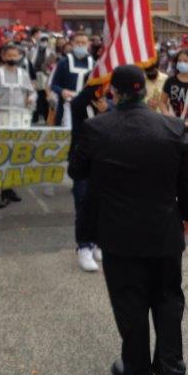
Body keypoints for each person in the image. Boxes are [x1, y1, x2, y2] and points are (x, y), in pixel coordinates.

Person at [69, 65, 188, 375]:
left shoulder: (96, 128)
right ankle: (171, 367)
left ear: (113, 92)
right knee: (168, 298)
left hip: (118, 232)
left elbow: (76, 170)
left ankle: (137, 370)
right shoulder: (172, 126)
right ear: (145, 90)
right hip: (164, 228)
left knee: (130, 302)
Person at [0, 43, 36, 209]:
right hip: (2, 118)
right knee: (4, 153)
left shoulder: (23, 73)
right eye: (9, 55)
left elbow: (32, 92)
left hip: (20, 118)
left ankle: (11, 188)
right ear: (3, 57)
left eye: (15, 55)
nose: (12, 58)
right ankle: (4, 192)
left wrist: (31, 99)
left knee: (16, 154)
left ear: (19, 57)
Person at [68, 82, 110, 271]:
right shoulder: (79, 103)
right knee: (83, 203)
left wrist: (107, 110)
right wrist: (96, 105)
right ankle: (84, 247)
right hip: (83, 161)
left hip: (105, 161)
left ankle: (97, 242)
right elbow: (84, 129)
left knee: (103, 204)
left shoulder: (110, 104)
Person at [49, 32, 96, 127]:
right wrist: (62, 91)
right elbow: (54, 85)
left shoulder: (94, 63)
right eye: (77, 42)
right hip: (66, 106)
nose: (80, 45)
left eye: (83, 43)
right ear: (72, 43)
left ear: (88, 44)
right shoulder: (63, 62)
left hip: (87, 107)